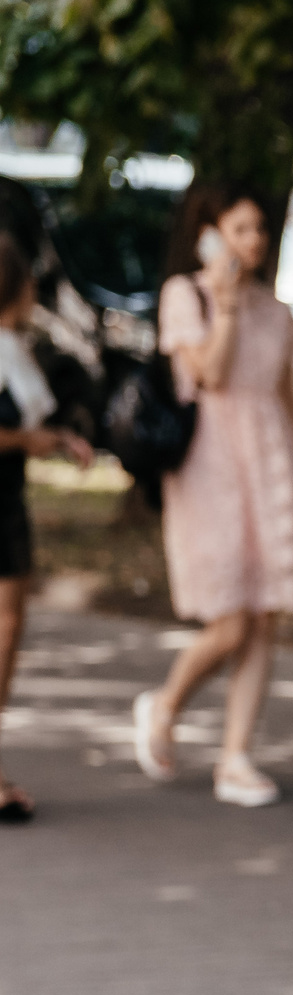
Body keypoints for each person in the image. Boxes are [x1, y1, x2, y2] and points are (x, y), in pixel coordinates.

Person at [133, 184, 293, 807]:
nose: (256, 240)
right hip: (211, 469)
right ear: (210, 234)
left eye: (261, 229)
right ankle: (164, 706)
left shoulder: (279, 311)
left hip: (267, 465)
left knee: (264, 616)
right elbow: (210, 374)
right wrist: (227, 305)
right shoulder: (185, 296)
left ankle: (236, 757)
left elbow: (288, 403)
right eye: (242, 228)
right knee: (230, 621)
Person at [0, 236, 95, 820]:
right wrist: (33, 439)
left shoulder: (14, 348)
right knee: (6, 626)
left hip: (8, 500)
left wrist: (56, 439)